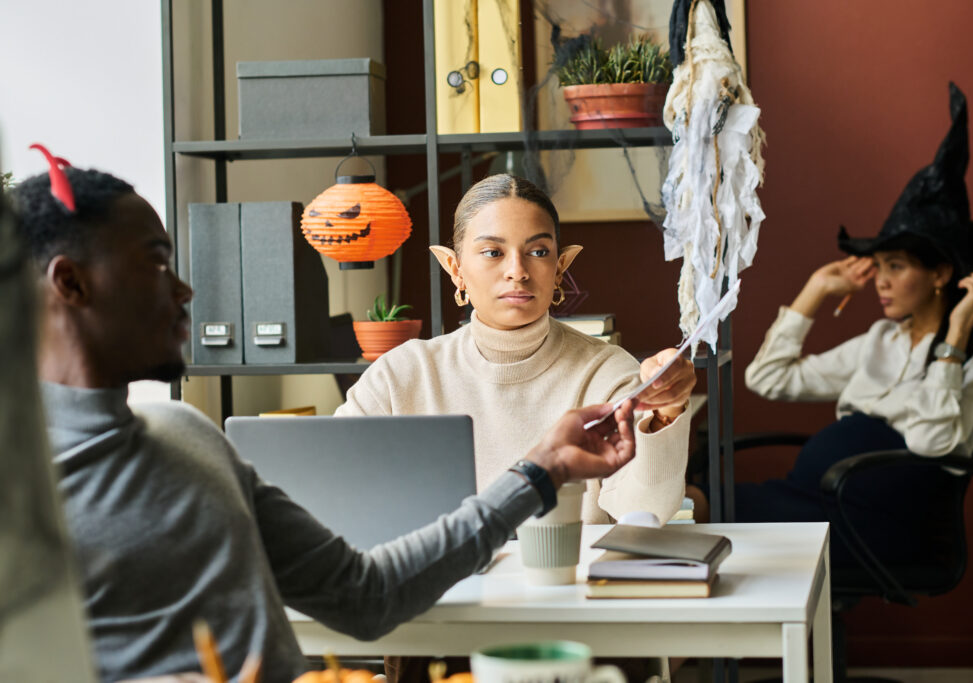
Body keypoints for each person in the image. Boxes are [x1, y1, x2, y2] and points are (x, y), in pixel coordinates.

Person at [14, 157, 638, 683]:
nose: (185, 290)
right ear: (70, 284)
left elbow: (364, 595)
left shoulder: (189, 434)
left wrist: (544, 468)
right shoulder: (21, 501)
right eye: (155, 263)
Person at [687, 83, 973, 567]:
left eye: (896, 267)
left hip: (876, 520)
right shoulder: (881, 340)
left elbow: (929, 442)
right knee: (690, 501)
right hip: (813, 499)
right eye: (877, 267)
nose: (880, 281)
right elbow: (767, 378)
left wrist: (955, 339)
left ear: (941, 274)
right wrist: (815, 291)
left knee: (698, 508)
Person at [336, 173, 697, 526]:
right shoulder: (402, 375)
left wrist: (665, 413)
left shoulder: (605, 371)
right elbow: (332, 484)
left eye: (538, 251)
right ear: (455, 268)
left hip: (565, 580)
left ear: (560, 267)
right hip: (441, 583)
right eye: (493, 252)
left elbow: (646, 510)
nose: (517, 271)